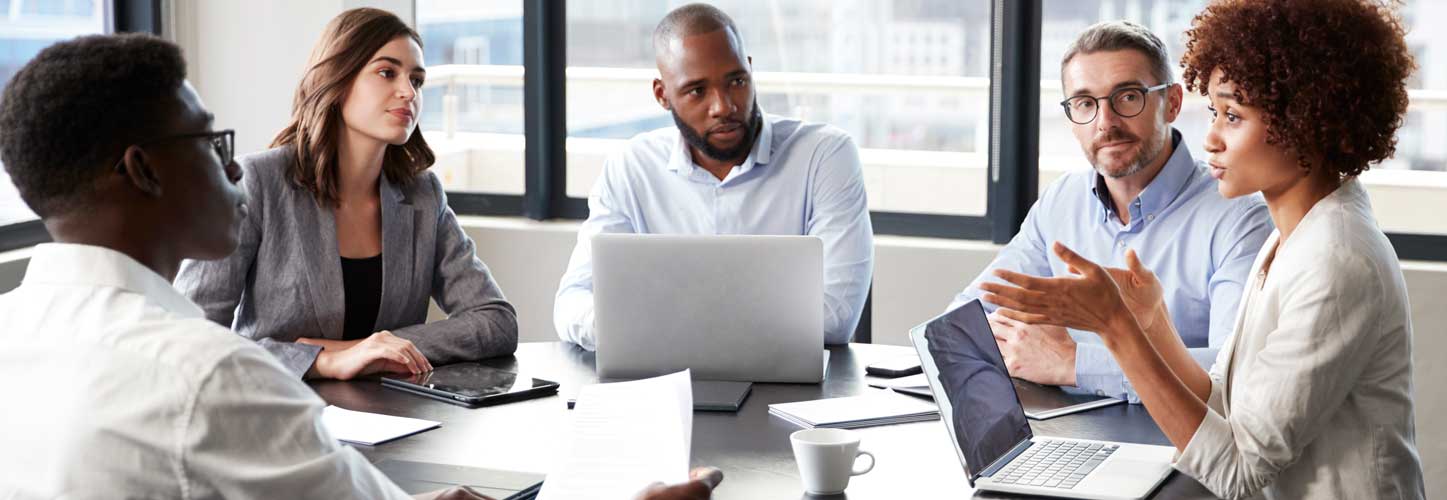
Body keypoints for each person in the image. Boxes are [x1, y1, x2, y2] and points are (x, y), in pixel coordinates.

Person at [0, 32, 718, 500]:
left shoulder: (14, 332)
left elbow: (494, 319)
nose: (227, 166)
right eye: (207, 142)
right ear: (144, 171)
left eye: (417, 78)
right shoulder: (213, 376)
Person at [979, 1, 1425, 497]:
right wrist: (1153, 325)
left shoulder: (1337, 261)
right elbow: (1226, 400)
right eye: (1214, 112)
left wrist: (1117, 327)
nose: (1209, 138)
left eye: (1232, 116)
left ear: (1305, 122)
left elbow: (1239, 472)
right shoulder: (1293, 237)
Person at [175, 8, 517, 381]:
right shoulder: (258, 182)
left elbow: (496, 321)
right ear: (337, 79)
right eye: (387, 73)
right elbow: (191, 338)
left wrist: (372, 348)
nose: (408, 92)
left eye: (416, 80)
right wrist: (323, 360)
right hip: (277, 411)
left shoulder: (423, 195)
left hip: (396, 419)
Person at [949, 21, 1270, 402]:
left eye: (1128, 97)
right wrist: (1013, 345)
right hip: (1068, 436)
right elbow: (964, 320)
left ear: (1172, 103)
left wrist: (1073, 364)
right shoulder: (1061, 202)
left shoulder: (1240, 217)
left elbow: (1232, 373)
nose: (1106, 123)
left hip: (1183, 448)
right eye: (1085, 103)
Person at [552, 3, 874, 350]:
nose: (723, 106)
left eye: (736, 81)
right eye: (697, 91)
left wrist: (653, 327)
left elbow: (836, 317)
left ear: (750, 71)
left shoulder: (824, 155)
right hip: (663, 383)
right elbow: (573, 301)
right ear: (663, 95)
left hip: (790, 391)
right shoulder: (631, 166)